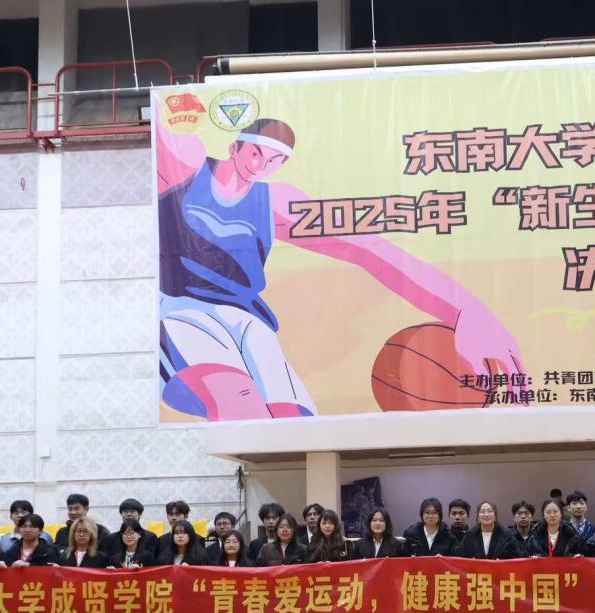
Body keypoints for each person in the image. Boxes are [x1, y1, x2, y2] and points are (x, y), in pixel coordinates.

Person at [155, 116, 521, 422]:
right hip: (183, 311)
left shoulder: (276, 201)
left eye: (273, 160)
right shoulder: (187, 166)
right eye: (255, 153)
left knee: (295, 424)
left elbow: (371, 249)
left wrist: (465, 309)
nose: (260, 165)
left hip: (248, 321)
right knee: (240, 403)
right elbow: (160, 128)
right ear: (234, 147)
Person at [248, 502, 286, 566]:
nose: (271, 521)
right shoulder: (254, 544)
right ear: (263, 520)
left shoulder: (287, 542)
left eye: (274, 518)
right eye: (267, 518)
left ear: (280, 520)